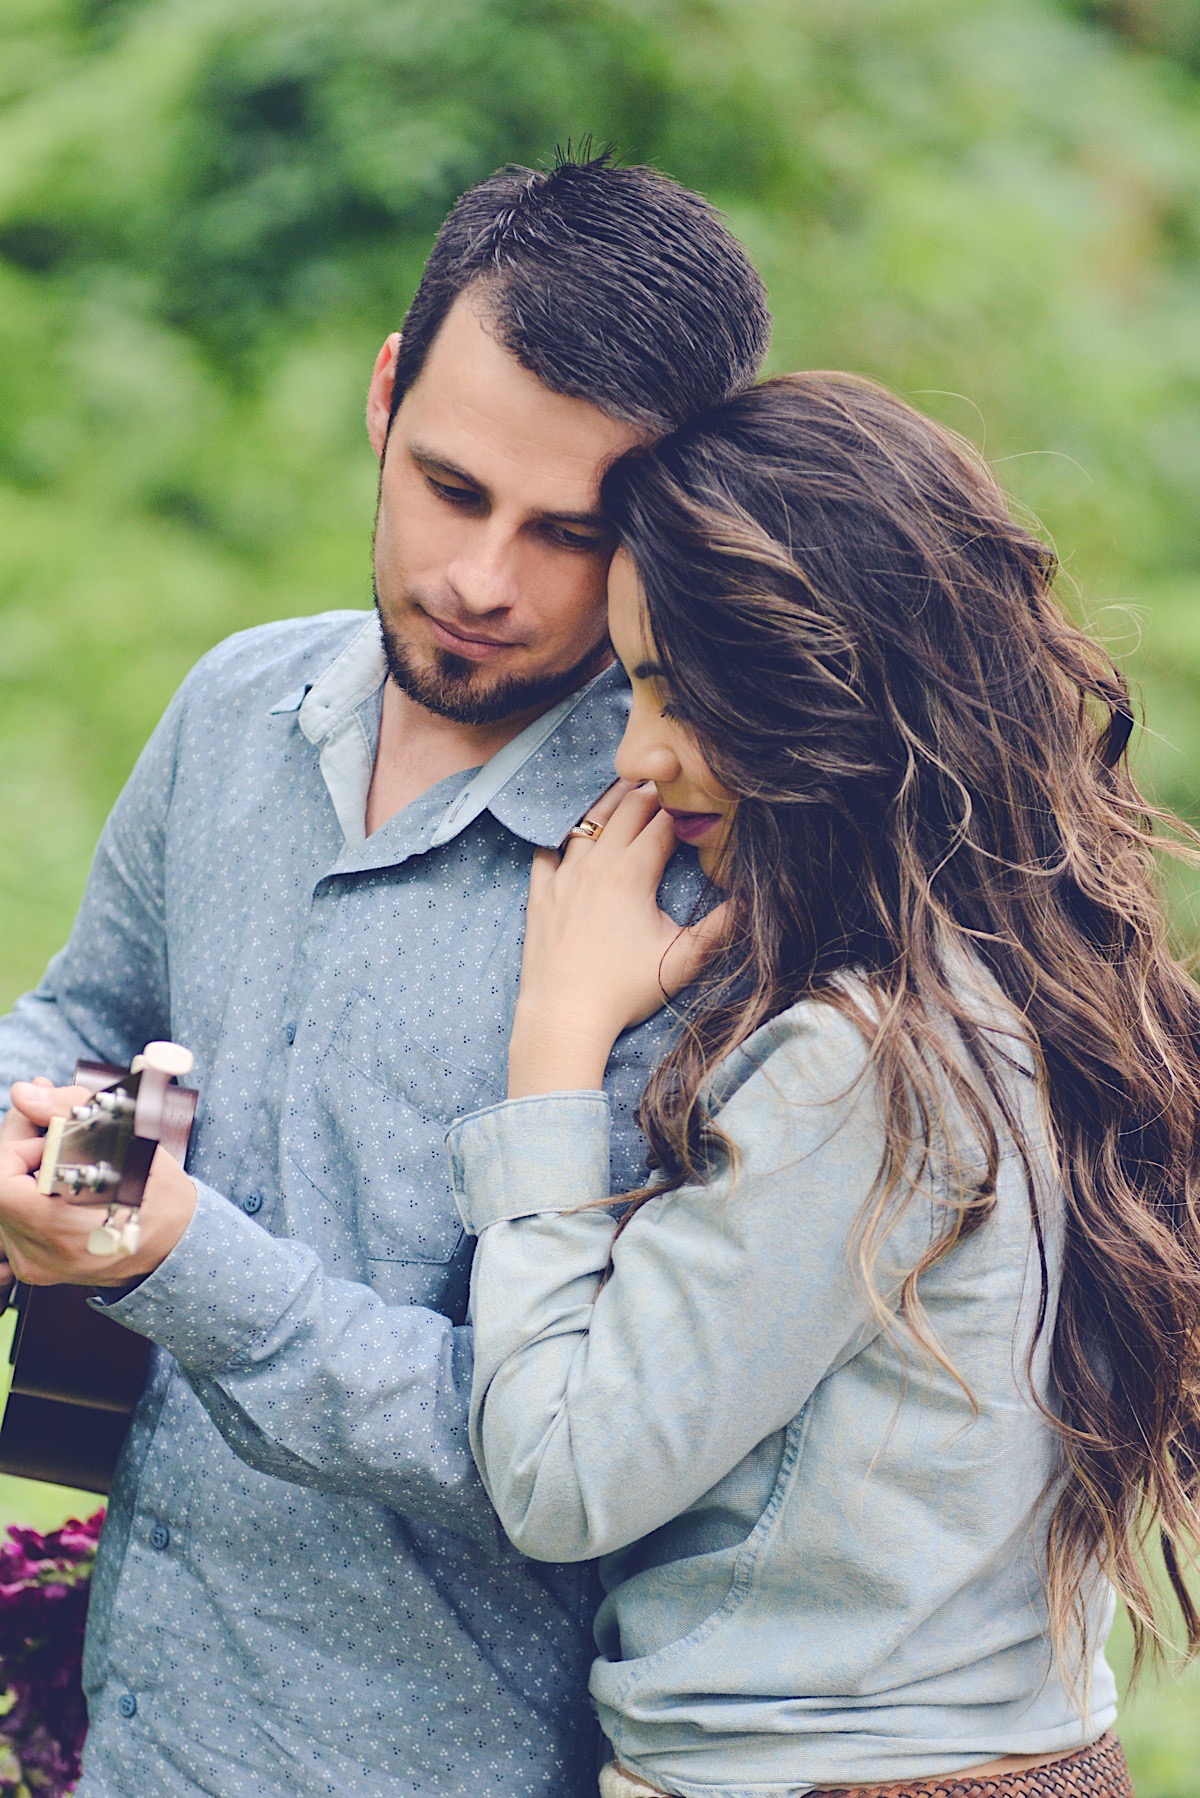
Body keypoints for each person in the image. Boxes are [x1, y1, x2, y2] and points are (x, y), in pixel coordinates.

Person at [0, 152, 770, 1796]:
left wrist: (174, 1257)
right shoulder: (234, 709)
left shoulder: (710, 897)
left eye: (572, 530)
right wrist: (31, 1130)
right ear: (383, 398)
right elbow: (84, 1009)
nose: (482, 578)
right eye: (452, 487)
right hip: (133, 1733)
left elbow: (569, 1452)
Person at [447, 373, 1200, 1797]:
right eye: (632, 686)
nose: (637, 756)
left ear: (827, 683)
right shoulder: (1045, 981)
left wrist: (552, 1050)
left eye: (678, 688)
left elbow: (560, 1474)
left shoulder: (866, 1063)